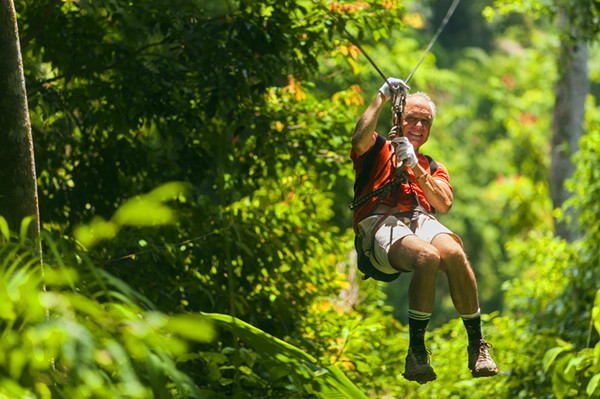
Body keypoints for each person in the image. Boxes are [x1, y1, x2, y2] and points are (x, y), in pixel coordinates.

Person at [350, 78, 499, 382]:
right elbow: (358, 139)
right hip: (378, 221)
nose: (418, 125)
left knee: (454, 252)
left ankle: (476, 346)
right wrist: (381, 96)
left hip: (417, 218)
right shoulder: (377, 149)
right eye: (411, 119)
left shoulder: (431, 166)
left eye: (425, 121)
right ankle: (416, 352)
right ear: (398, 120)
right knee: (427, 257)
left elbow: (443, 203)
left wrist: (414, 165)